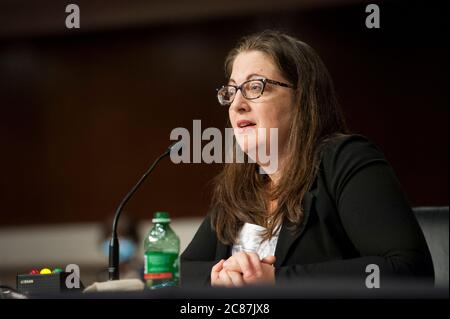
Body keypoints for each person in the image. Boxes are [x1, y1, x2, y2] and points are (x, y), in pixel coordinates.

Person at [180, 30, 434, 288]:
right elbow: (186, 270)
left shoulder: (345, 159)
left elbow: (408, 269)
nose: (237, 104)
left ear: (301, 97)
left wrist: (277, 282)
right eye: (232, 91)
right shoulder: (241, 183)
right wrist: (218, 277)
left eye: (255, 87)